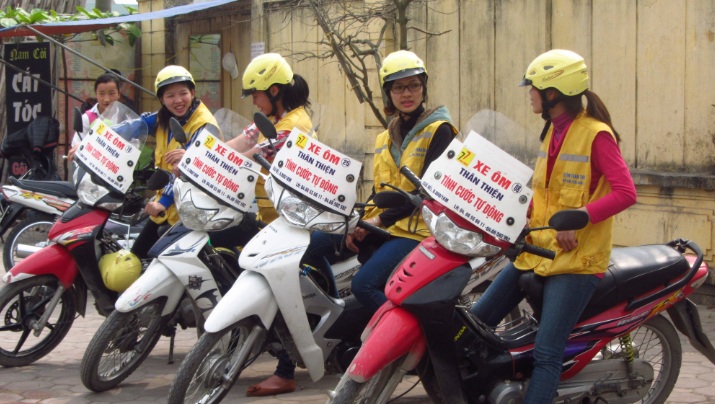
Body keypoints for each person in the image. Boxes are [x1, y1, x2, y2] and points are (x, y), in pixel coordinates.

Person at [245, 50, 458, 397]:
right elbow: (380, 189)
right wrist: (357, 221)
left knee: (365, 285)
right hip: (385, 225)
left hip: (419, 232)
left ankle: (404, 344)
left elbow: (428, 194)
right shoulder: (385, 135)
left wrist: (375, 220)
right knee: (308, 250)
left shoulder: (439, 131)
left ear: (424, 89)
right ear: (388, 93)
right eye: (398, 88)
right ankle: (331, 332)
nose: (407, 94)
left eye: (414, 86)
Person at [470, 49, 637, 403]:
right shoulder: (553, 131)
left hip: (577, 261)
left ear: (553, 92)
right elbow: (545, 195)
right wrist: (507, 215)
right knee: (475, 322)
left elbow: (626, 192)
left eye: (532, 87)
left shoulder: (596, 134)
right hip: (538, 251)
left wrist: (581, 217)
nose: (528, 94)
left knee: (548, 352)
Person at [129, 65, 218, 260]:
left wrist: (163, 201)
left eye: (183, 93)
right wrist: (95, 142)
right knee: (136, 256)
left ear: (192, 93)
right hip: (168, 210)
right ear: (161, 99)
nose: (178, 100)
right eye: (170, 95)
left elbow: (189, 172)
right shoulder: (164, 118)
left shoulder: (203, 124)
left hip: (192, 212)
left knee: (166, 267)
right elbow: (135, 126)